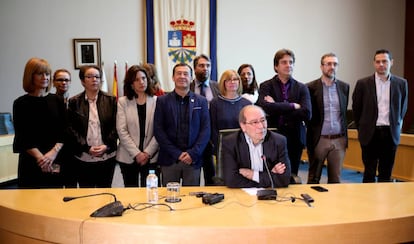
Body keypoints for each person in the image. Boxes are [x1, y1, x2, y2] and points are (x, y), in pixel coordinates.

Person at [352, 49, 408, 183]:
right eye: (378, 62)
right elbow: (356, 109)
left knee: (386, 173)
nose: (381, 64)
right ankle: (367, 202)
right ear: (374, 63)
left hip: (390, 133)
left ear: (391, 62)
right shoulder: (363, 83)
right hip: (370, 134)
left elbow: (403, 108)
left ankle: (384, 203)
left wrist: (396, 125)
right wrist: (362, 128)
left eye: (384, 61)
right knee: (369, 173)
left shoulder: (401, 83)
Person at [256, 49, 311, 183]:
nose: (288, 65)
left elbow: (307, 113)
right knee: (272, 173)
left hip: (295, 138)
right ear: (276, 66)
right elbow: (264, 107)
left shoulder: (302, 87)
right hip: (273, 137)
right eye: (284, 62)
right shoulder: (266, 86)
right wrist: (292, 106)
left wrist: (277, 107)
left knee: (292, 176)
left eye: (291, 62)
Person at [154, 63, 210, 186]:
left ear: (191, 78)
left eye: (186, 74)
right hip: (170, 158)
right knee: (169, 198)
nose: (182, 76)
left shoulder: (201, 101)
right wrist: (177, 154)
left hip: (193, 159)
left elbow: (205, 130)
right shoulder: (162, 101)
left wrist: (193, 153)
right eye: (178, 73)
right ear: (173, 77)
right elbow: (158, 130)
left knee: (191, 199)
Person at [13, 57, 66, 188]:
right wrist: (41, 159)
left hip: (55, 157)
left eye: (47, 74)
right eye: (40, 74)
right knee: (30, 201)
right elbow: (22, 136)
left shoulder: (57, 100)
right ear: (30, 76)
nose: (45, 77)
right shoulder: (20, 103)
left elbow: (65, 130)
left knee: (55, 199)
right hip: (32, 160)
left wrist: (52, 154)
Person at [67, 65, 118, 188]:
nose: (94, 79)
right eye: (89, 77)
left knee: (105, 192)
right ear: (82, 81)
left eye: (97, 77)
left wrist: (106, 145)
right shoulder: (74, 102)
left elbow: (117, 126)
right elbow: (71, 128)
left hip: (107, 156)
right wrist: (86, 147)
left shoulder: (111, 100)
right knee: (86, 193)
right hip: (84, 157)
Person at [222, 105, 290, 188]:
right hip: (241, 195)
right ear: (243, 126)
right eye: (254, 122)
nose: (261, 126)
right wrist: (270, 177)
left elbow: (284, 179)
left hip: (270, 194)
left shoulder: (279, 141)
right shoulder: (230, 143)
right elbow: (231, 180)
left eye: (263, 120)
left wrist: (253, 174)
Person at [306, 53, 350, 184]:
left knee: (335, 180)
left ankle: (334, 204)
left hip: (339, 140)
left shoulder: (344, 87)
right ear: (321, 67)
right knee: (314, 178)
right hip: (319, 139)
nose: (332, 67)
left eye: (335, 64)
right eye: (328, 64)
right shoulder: (310, 87)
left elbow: (343, 112)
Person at [116, 65, 159, 187]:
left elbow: (159, 131)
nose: (141, 82)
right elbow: (121, 130)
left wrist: (147, 153)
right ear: (131, 84)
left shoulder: (157, 101)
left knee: (151, 193)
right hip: (128, 156)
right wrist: (137, 154)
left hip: (151, 156)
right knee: (131, 194)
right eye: (137, 79)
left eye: (144, 78)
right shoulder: (123, 102)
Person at [189, 54, 219, 185]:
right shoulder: (187, 87)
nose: (205, 68)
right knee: (192, 178)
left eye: (208, 66)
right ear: (194, 69)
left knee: (211, 177)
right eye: (201, 66)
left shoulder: (218, 87)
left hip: (211, 139)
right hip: (192, 139)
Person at [210, 69, 251, 154]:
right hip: (222, 148)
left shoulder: (247, 103)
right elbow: (213, 128)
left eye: (235, 79)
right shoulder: (215, 103)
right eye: (228, 80)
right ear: (223, 83)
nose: (232, 82)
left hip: (243, 148)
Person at [52, 69, 77, 187]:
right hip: (55, 152)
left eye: (66, 80)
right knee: (56, 184)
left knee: (71, 185)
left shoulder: (75, 102)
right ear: (53, 82)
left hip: (72, 153)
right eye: (60, 80)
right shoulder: (49, 103)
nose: (63, 82)